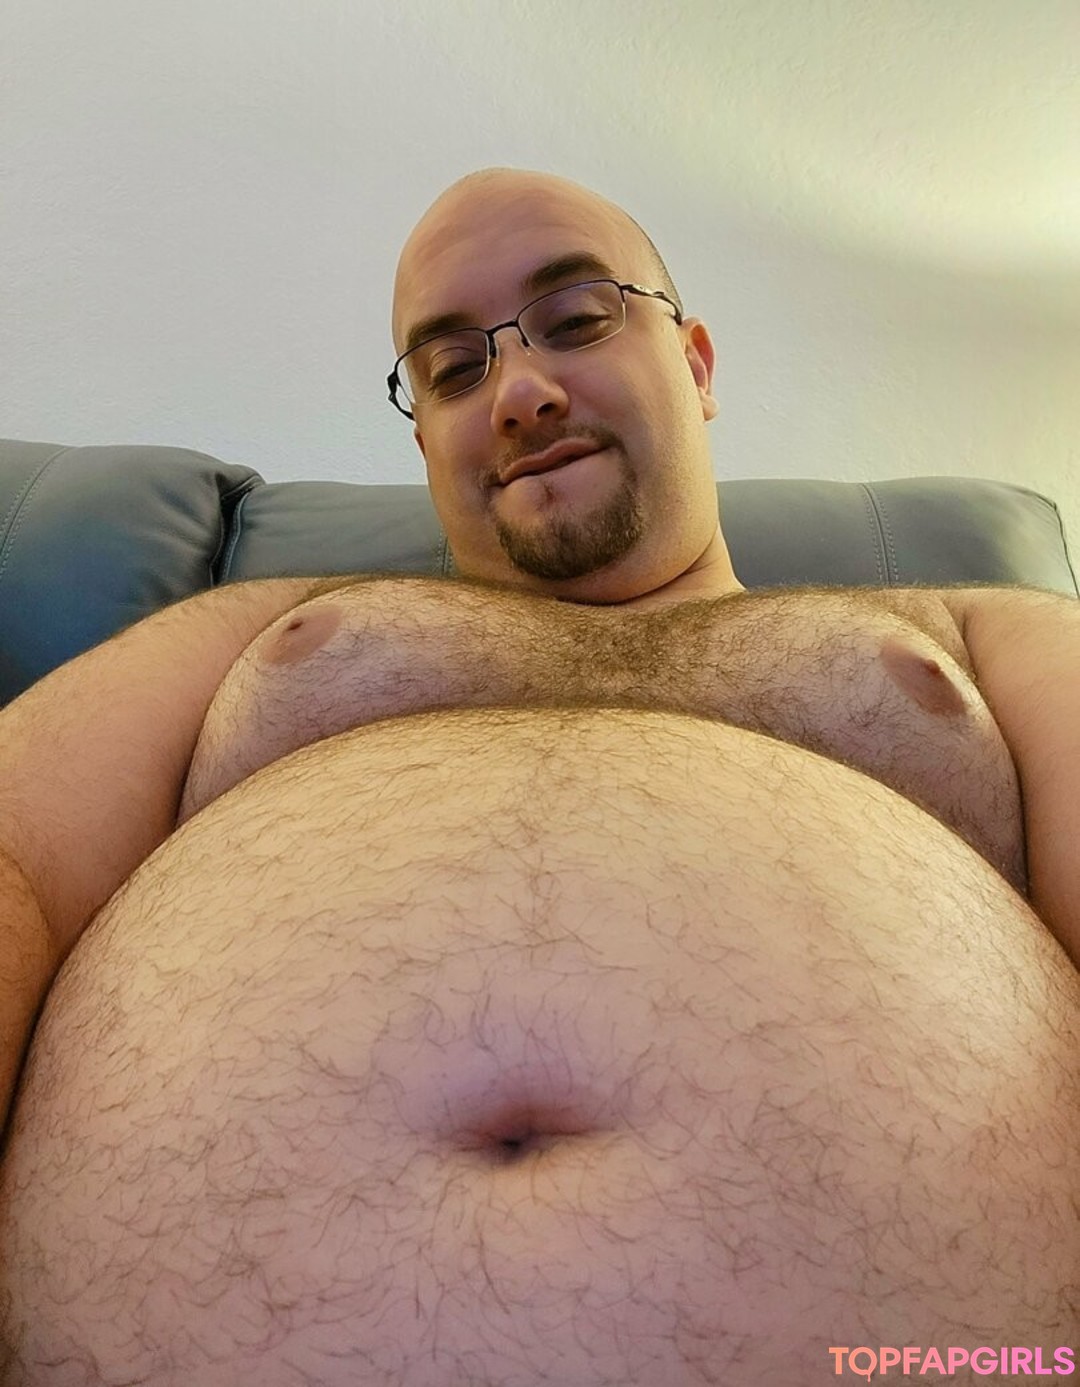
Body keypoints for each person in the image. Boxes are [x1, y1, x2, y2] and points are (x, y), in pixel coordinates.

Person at [0, 167, 1076, 1386]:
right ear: (425, 439)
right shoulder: (266, 628)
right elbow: (14, 855)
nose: (519, 393)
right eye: (454, 369)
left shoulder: (975, 628)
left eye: (577, 318)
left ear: (698, 365)